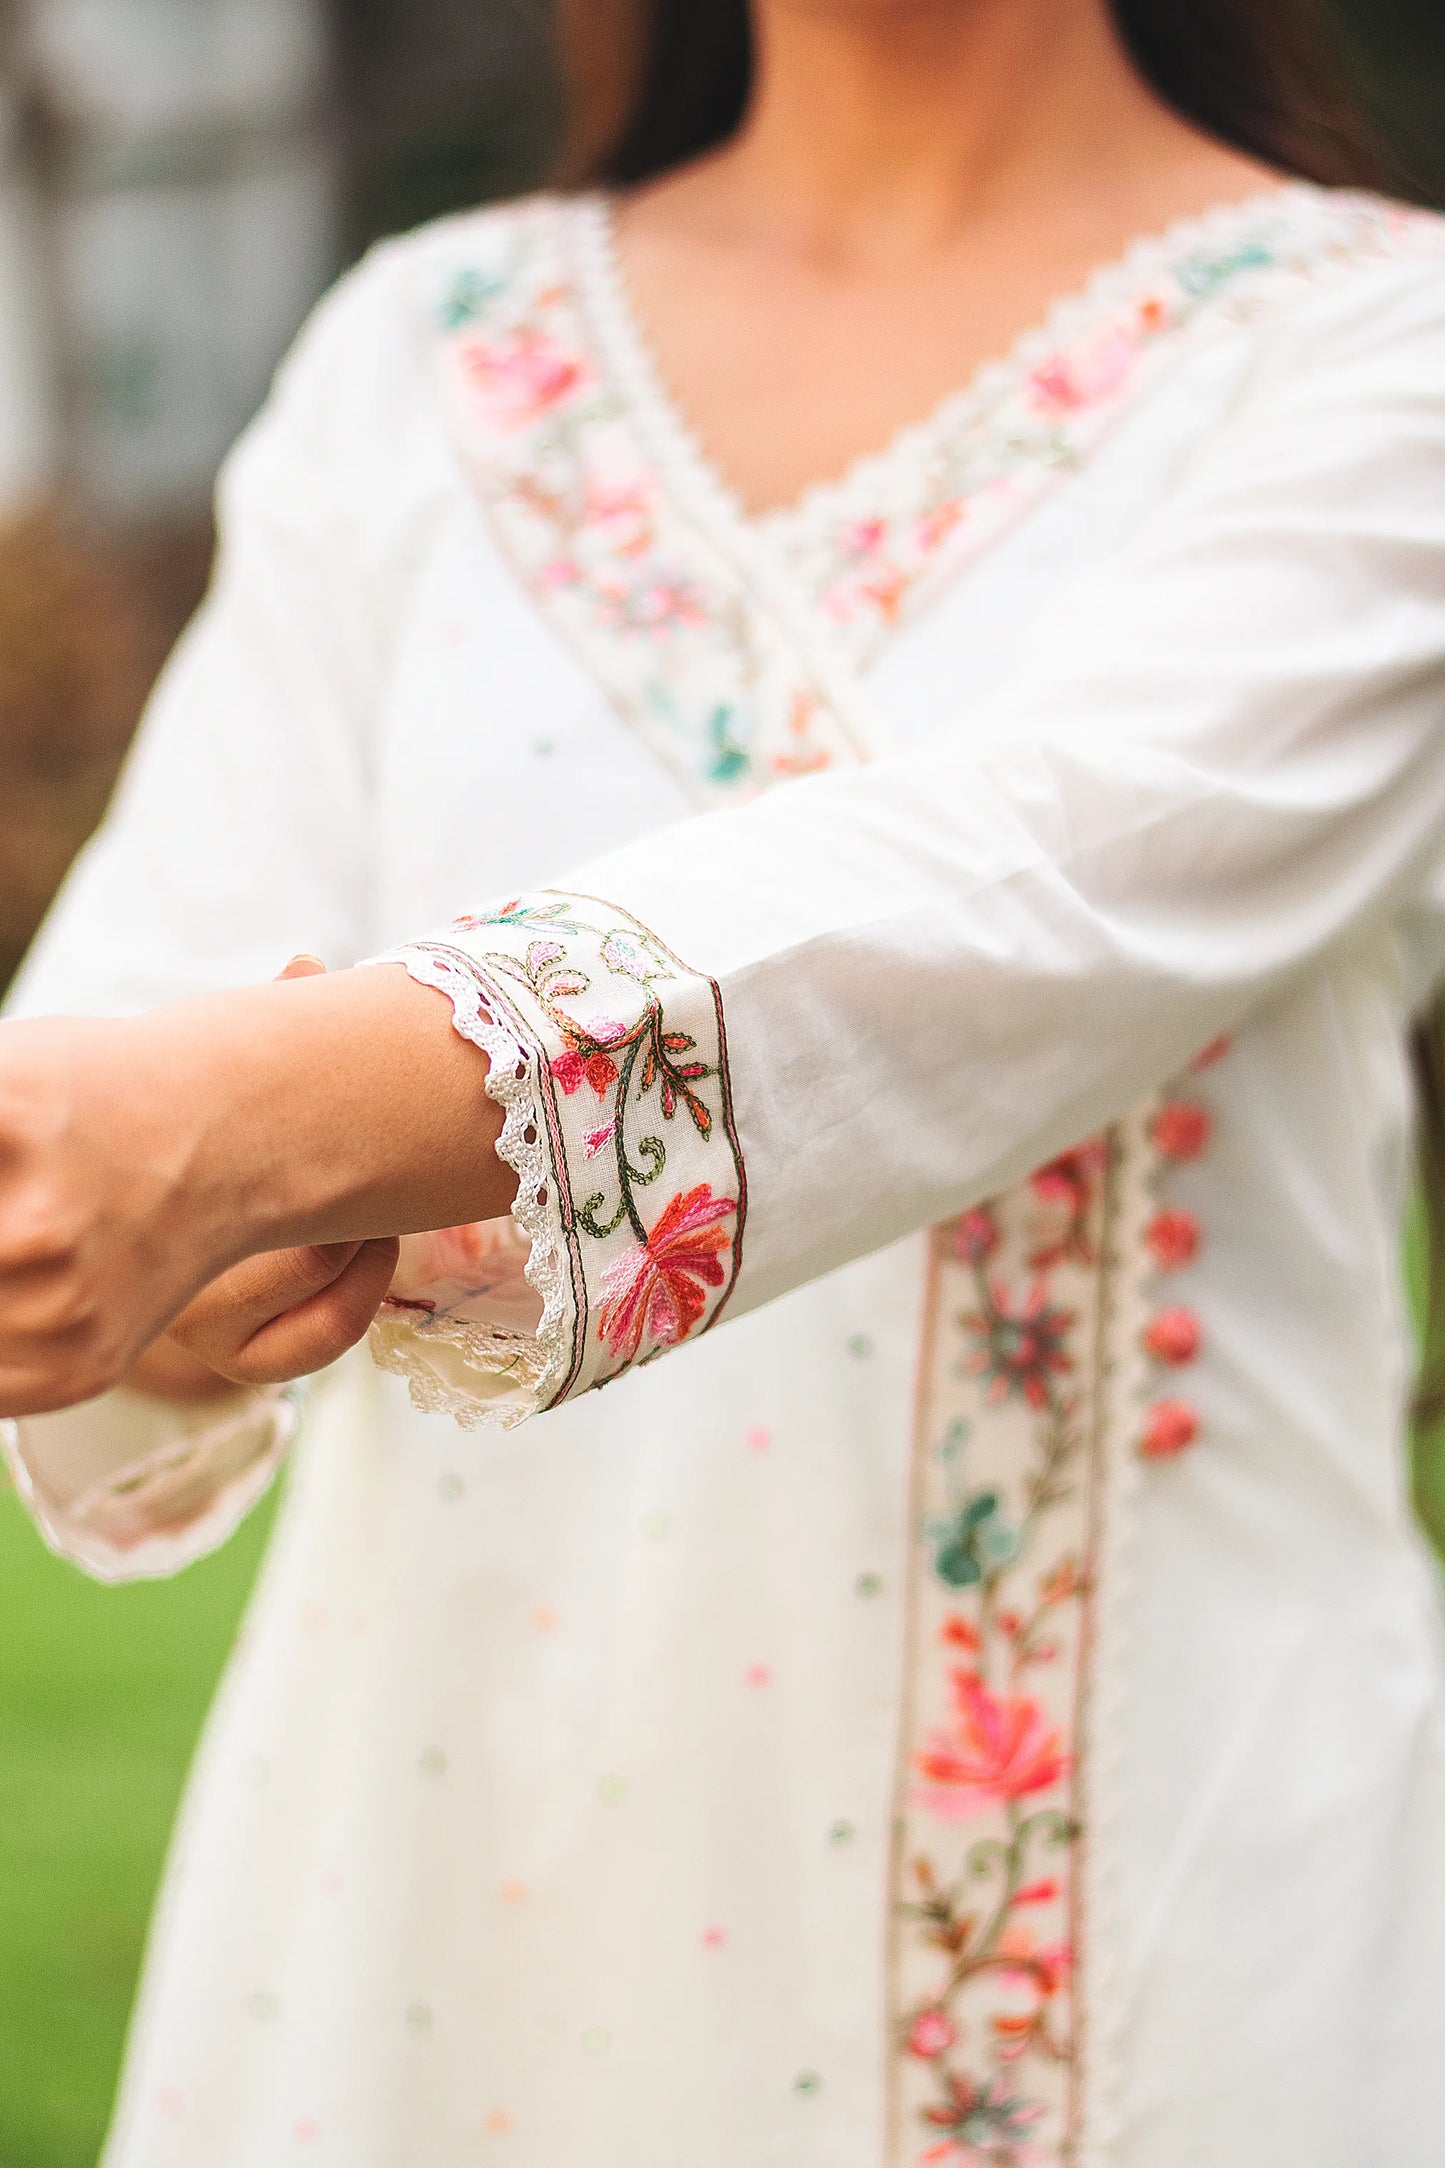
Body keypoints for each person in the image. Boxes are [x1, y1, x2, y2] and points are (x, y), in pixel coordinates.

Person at [3, 0, 1445, 2159]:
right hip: (442, 1908)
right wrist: (192, 1274)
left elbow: (1030, 899)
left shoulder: (1383, 358)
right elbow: (134, 1039)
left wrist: (251, 1123)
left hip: (1174, 1941)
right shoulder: (421, 362)